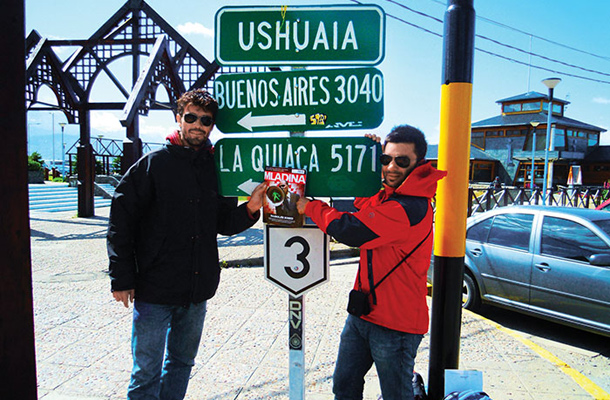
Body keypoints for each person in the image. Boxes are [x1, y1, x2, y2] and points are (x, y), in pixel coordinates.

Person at [107, 88, 265, 400]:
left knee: (181, 363)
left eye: (205, 120)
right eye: (190, 117)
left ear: (211, 126)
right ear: (179, 118)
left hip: (197, 290)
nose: (198, 124)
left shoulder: (217, 168)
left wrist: (250, 209)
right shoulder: (151, 166)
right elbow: (120, 223)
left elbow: (223, 223)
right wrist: (121, 279)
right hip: (154, 289)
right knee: (146, 371)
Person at [296, 125, 447, 400]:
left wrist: (310, 206)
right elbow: (361, 200)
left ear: (418, 164)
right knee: (344, 386)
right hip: (362, 314)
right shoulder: (388, 196)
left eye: (402, 161)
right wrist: (366, 159)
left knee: (396, 395)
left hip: (396, 325)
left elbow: (351, 228)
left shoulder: (409, 208)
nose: (391, 167)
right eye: (386, 159)